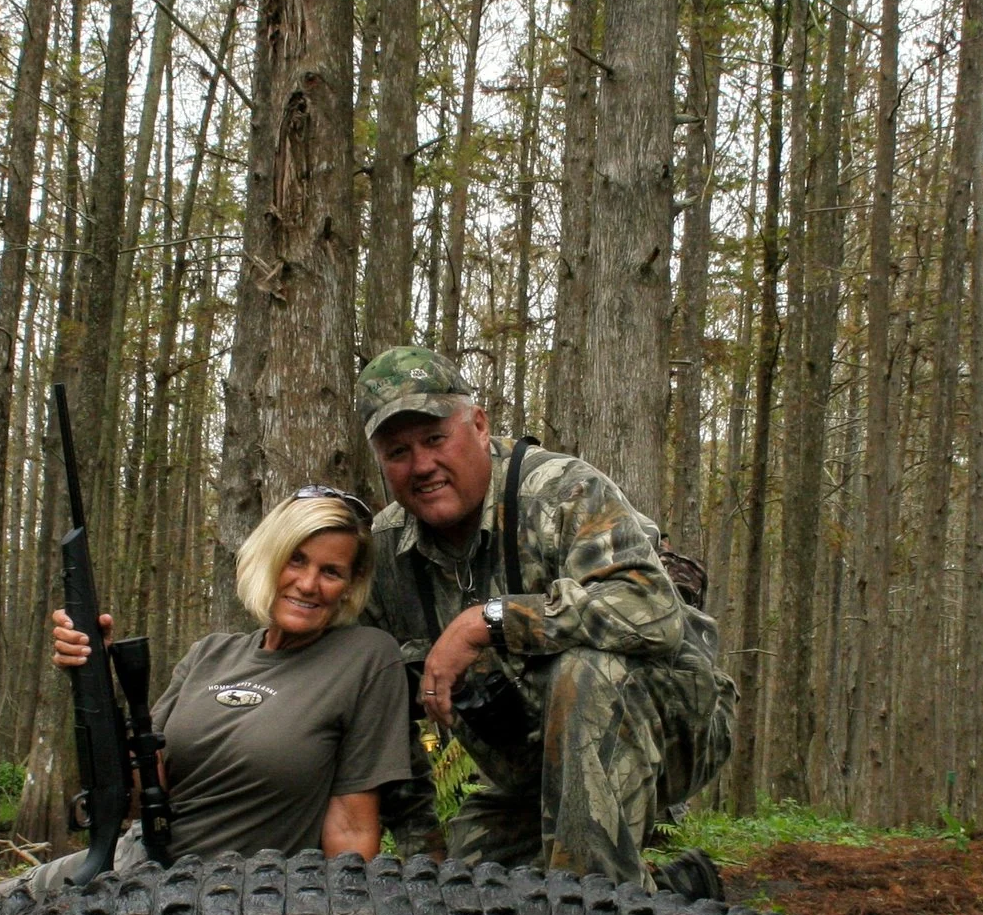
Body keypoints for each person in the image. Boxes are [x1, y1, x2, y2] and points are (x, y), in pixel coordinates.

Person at [354, 346, 737, 886]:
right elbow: (375, 711)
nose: (421, 465)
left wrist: (487, 621)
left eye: (436, 439)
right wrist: (423, 847)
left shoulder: (561, 491)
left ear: (479, 426)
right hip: (532, 767)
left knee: (585, 671)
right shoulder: (387, 556)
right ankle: (677, 894)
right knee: (462, 894)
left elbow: (651, 608)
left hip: (671, 724)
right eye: (398, 452)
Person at [41, 489, 409, 877]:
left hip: (245, 899)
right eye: (295, 560)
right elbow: (139, 796)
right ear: (270, 559)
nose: (307, 584)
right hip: (139, 869)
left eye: (330, 572)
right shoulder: (209, 654)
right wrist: (92, 676)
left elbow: (351, 830)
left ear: (351, 585)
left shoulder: (365, 658)